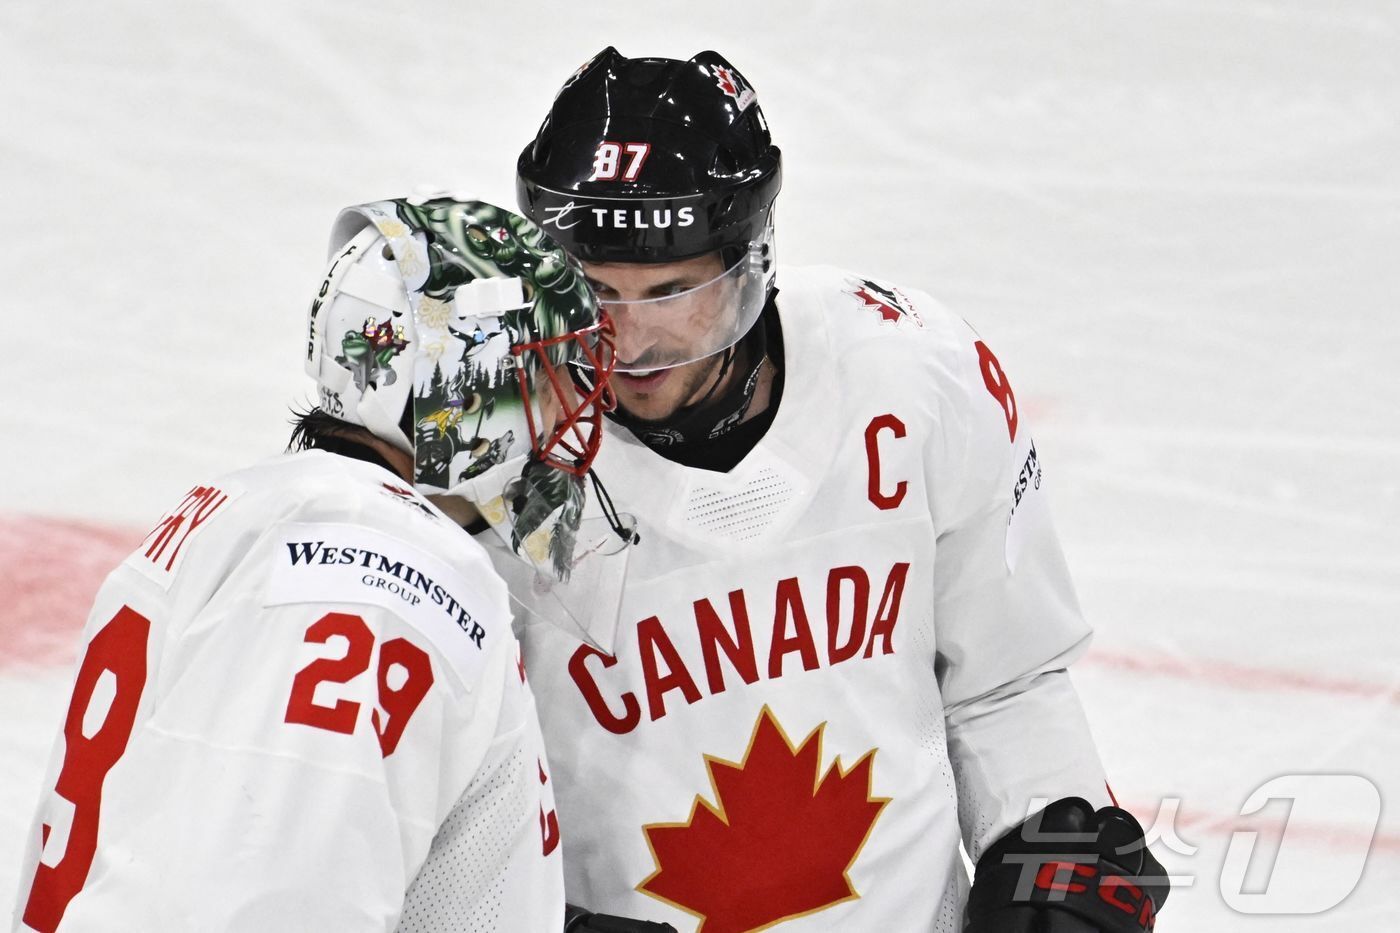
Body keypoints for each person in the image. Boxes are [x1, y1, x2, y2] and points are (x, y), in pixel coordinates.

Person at [498, 49, 1171, 932]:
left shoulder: (912, 375)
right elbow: (436, 791)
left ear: (749, 261)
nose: (627, 339)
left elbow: (1006, 682)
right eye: (594, 291)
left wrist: (1049, 839)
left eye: (671, 291)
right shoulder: (492, 458)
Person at [11, 196, 627, 932]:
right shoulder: (375, 575)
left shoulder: (267, 514)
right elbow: (252, 906)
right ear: (457, 387)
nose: (570, 408)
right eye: (545, 371)